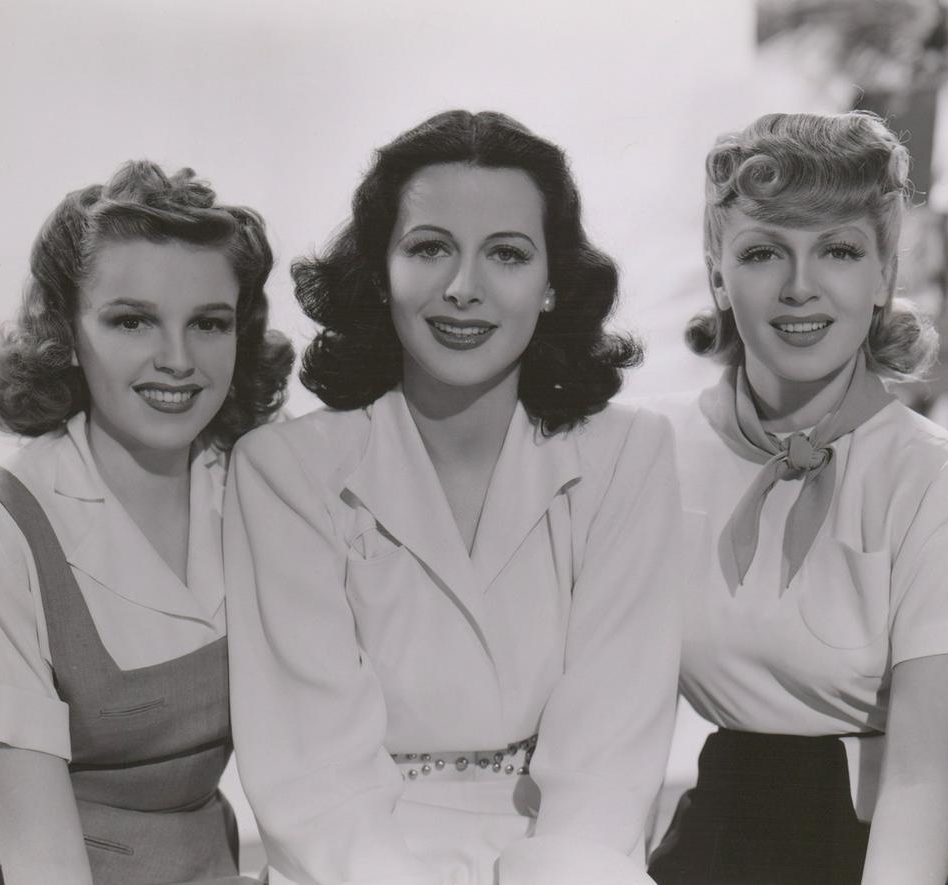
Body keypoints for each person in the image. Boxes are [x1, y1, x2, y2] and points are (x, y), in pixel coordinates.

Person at [224, 109, 683, 885]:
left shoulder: (629, 455)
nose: (464, 289)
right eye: (429, 248)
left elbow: (607, 768)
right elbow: (313, 783)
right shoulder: (282, 469)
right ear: (380, 274)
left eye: (507, 254)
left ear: (552, 284)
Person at [646, 111, 948, 885]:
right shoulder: (650, 454)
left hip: (916, 837)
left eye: (840, 250)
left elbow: (921, 779)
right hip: (731, 815)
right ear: (718, 273)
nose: (801, 287)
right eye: (763, 252)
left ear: (883, 275)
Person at [0, 160, 294, 885]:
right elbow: (42, 861)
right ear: (66, 332)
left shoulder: (264, 495)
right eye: (132, 321)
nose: (177, 361)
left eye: (209, 323)